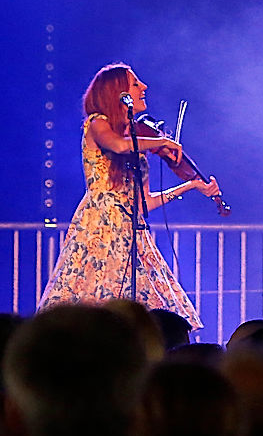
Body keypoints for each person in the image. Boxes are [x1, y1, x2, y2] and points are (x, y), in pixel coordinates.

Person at [37, 63, 221, 329]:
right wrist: (163, 142)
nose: (143, 88)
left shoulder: (138, 142)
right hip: (100, 227)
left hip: (131, 230)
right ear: (118, 93)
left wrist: (191, 185)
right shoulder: (97, 123)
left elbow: (144, 203)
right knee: (96, 297)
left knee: (144, 308)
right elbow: (119, 145)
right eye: (136, 84)